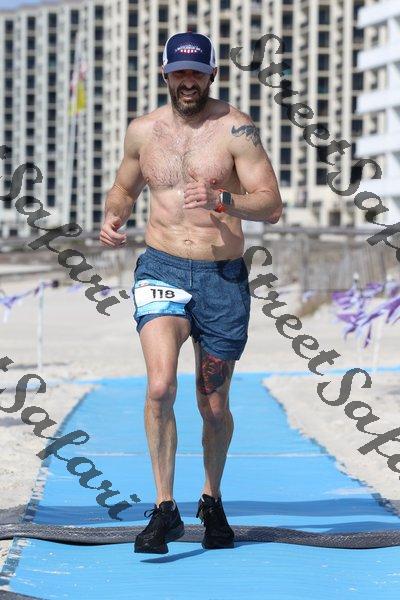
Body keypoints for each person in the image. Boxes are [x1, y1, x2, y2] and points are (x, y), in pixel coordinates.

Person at [99, 31, 282, 554]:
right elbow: (125, 187)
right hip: (161, 269)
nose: (188, 81)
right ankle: (164, 509)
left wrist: (223, 199)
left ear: (211, 76)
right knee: (160, 388)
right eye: (179, 72)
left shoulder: (237, 130)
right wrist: (114, 215)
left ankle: (211, 499)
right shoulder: (143, 131)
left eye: (197, 73)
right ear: (165, 74)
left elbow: (271, 204)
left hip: (221, 278)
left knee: (213, 406)